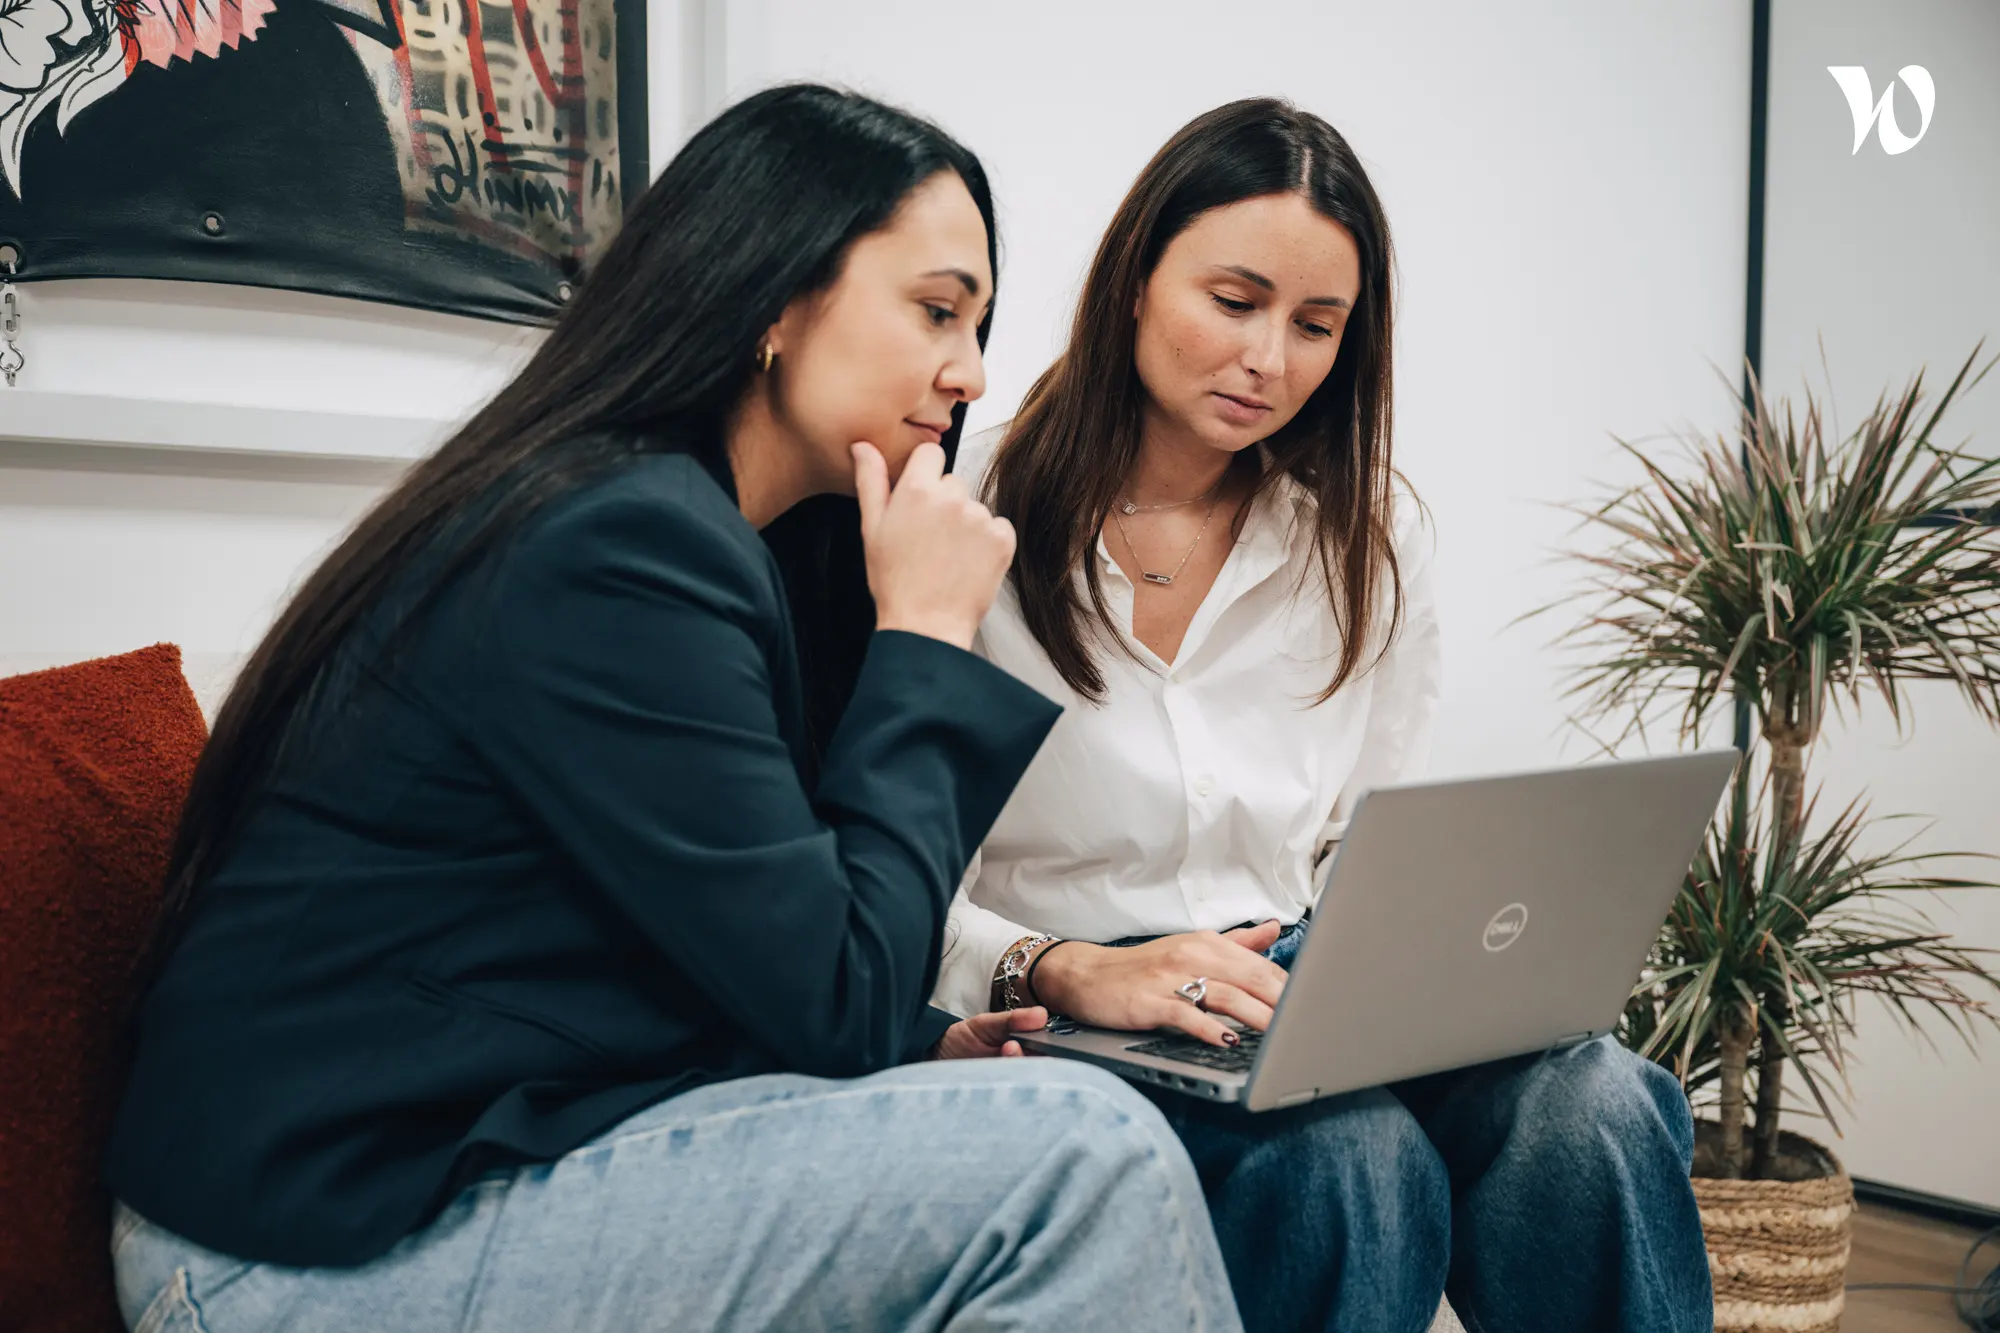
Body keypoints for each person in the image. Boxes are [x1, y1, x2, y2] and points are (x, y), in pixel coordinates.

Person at [102, 85, 1242, 1333]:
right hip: (289, 1259)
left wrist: (924, 1040)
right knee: (1086, 1157)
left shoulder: (693, 533)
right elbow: (834, 1001)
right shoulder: (616, 543)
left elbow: (747, 937)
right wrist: (927, 629)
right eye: (934, 311)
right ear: (770, 297)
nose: (969, 373)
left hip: (440, 1172)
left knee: (1080, 1126)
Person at [932, 98, 1713, 1333]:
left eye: (1315, 326)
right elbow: (890, 884)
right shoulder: (966, 516)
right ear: (1134, 280)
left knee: (1595, 1106)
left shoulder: (1363, 536)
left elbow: (1361, 837)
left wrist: (1434, 969)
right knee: (1351, 1155)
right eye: (1233, 302)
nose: (1269, 360)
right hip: (1086, 1006)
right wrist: (1061, 967)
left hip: (1291, 989)